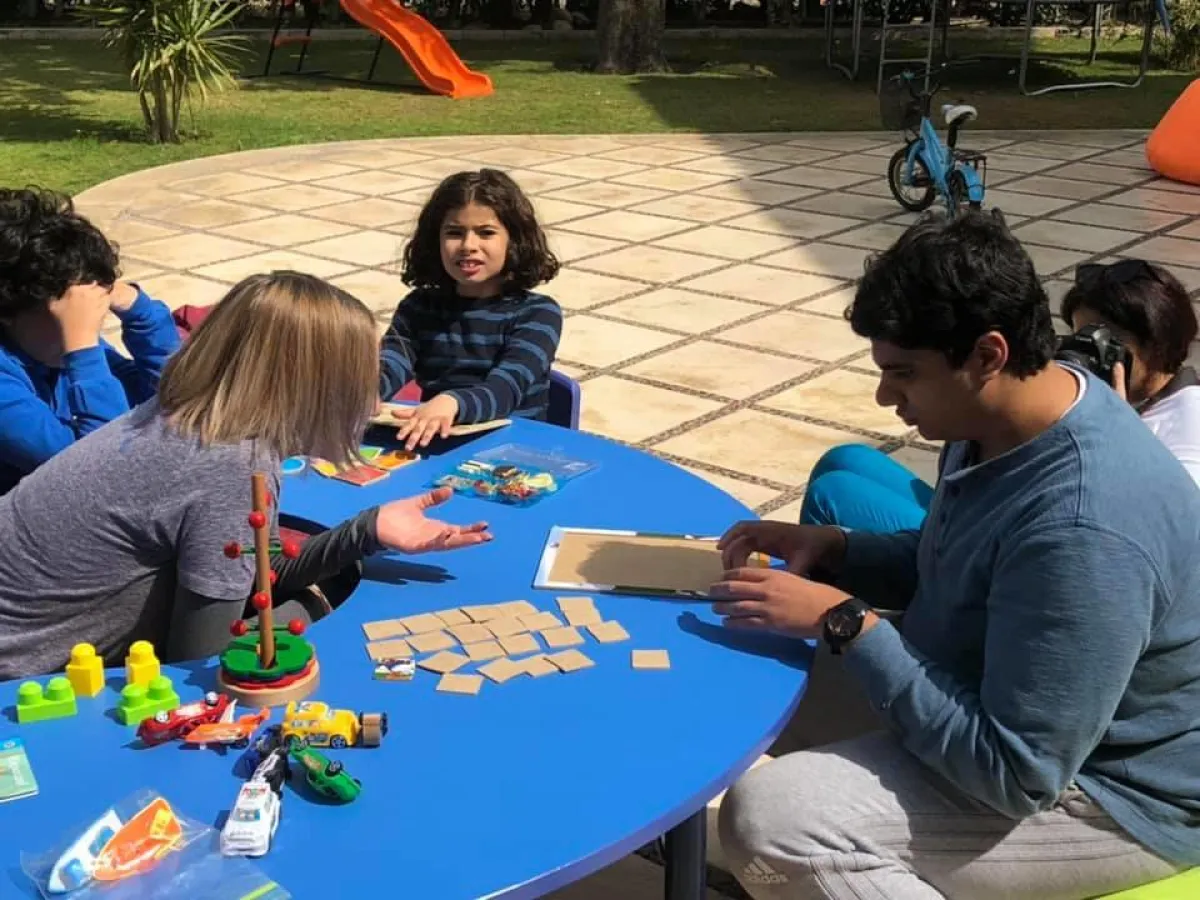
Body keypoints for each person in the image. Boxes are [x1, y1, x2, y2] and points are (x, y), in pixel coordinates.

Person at [712, 211, 1200, 899]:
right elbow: (962, 558)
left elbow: (1017, 773)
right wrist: (838, 549)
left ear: (988, 355)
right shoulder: (1002, 415)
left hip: (1111, 796)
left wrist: (847, 622)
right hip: (989, 699)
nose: (886, 396)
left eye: (904, 374)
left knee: (773, 823)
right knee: (733, 660)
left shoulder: (1085, 526)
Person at [0, 271, 492, 681]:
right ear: (312, 388)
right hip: (24, 682)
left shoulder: (185, 417)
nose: (372, 400)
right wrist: (316, 608)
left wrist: (369, 530)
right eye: (360, 380)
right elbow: (204, 661)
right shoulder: (229, 462)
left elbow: (255, 566)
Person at [802, 258, 1200, 532]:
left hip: (1021, 538)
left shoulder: (1186, 437)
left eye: (1105, 345)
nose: (1086, 356)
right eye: (1079, 338)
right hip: (991, 518)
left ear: (1158, 347)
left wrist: (1112, 423)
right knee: (845, 458)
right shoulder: (1124, 395)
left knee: (833, 494)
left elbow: (1136, 533)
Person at [0, 188, 180, 494]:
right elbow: (103, 471)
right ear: (8, 309)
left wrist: (141, 313)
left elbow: (173, 398)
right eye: (66, 312)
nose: (85, 323)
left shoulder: (50, 348)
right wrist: (82, 347)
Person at [379, 169, 563, 451]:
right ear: (434, 240)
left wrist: (452, 402)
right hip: (437, 444)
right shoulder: (418, 307)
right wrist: (365, 391)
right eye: (454, 233)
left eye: (486, 233)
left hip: (514, 452)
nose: (468, 246)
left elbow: (506, 389)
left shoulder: (538, 314)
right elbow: (391, 362)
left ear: (515, 240)